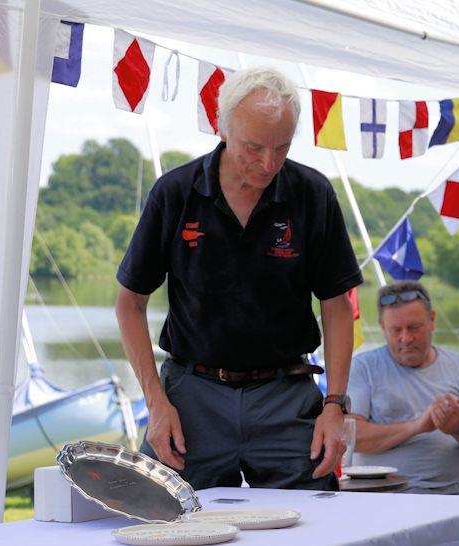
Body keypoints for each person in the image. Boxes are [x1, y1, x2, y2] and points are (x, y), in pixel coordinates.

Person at [115, 67, 362, 491]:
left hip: (287, 396)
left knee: (316, 529)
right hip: (192, 397)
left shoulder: (312, 194)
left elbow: (337, 305)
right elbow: (129, 303)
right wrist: (156, 402)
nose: (268, 163)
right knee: (170, 525)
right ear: (223, 128)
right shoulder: (175, 193)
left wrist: (335, 405)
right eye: (254, 147)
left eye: (281, 147)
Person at [347, 281, 459, 494]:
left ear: (432, 320)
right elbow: (353, 439)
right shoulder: (362, 367)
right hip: (380, 498)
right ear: (382, 327)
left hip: (451, 495)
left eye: (414, 328)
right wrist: (418, 425)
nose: (406, 338)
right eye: (395, 330)